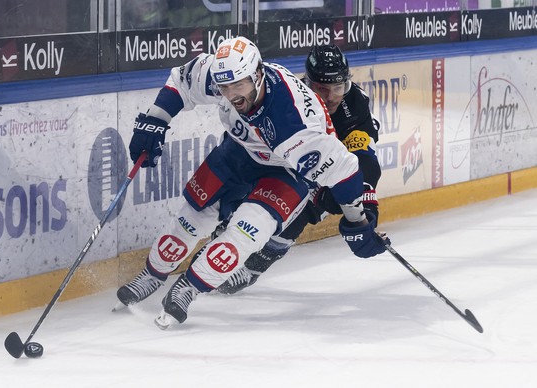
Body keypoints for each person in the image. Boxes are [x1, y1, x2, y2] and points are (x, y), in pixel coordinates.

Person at [117, 36, 388, 329]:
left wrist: (357, 219)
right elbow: (183, 80)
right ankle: (152, 273)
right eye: (225, 88)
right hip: (239, 152)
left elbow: (347, 167)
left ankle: (189, 288)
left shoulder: (294, 122)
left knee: (248, 232)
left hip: (286, 172)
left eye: (239, 86)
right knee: (192, 217)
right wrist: (156, 120)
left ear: (257, 75)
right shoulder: (227, 73)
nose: (232, 95)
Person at [217, 44, 382, 294]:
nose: (330, 97)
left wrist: (365, 209)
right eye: (321, 89)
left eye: (338, 87)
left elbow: (364, 158)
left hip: (325, 170)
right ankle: (225, 234)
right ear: (308, 82)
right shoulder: (288, 96)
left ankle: (253, 267)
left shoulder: (355, 103)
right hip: (277, 163)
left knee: (308, 209)